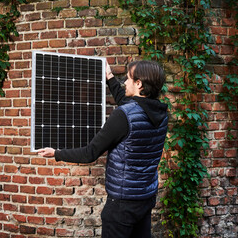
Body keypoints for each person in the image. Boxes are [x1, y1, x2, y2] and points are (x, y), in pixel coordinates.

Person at [38, 60, 168, 238]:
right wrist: (109, 77)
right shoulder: (161, 114)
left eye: (128, 78)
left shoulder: (123, 116)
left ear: (139, 84)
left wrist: (57, 153)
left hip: (122, 204)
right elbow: (130, 106)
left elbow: (90, 152)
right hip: (145, 197)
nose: (125, 83)